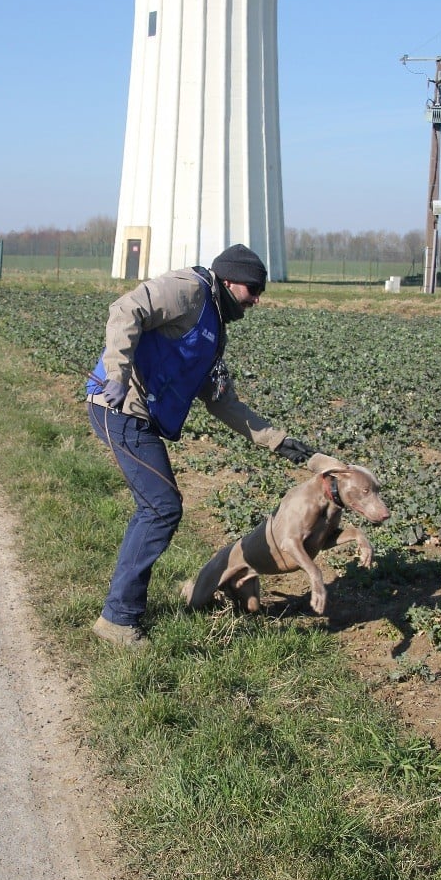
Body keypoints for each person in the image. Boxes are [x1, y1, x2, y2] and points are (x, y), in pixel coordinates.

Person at [86, 244, 316, 647]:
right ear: (229, 280)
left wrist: (279, 442)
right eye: (253, 289)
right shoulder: (189, 290)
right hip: (118, 406)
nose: (257, 300)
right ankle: (118, 620)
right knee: (161, 506)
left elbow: (222, 401)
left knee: (159, 507)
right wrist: (118, 375)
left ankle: (120, 614)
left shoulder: (216, 333)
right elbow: (126, 309)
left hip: (140, 416)